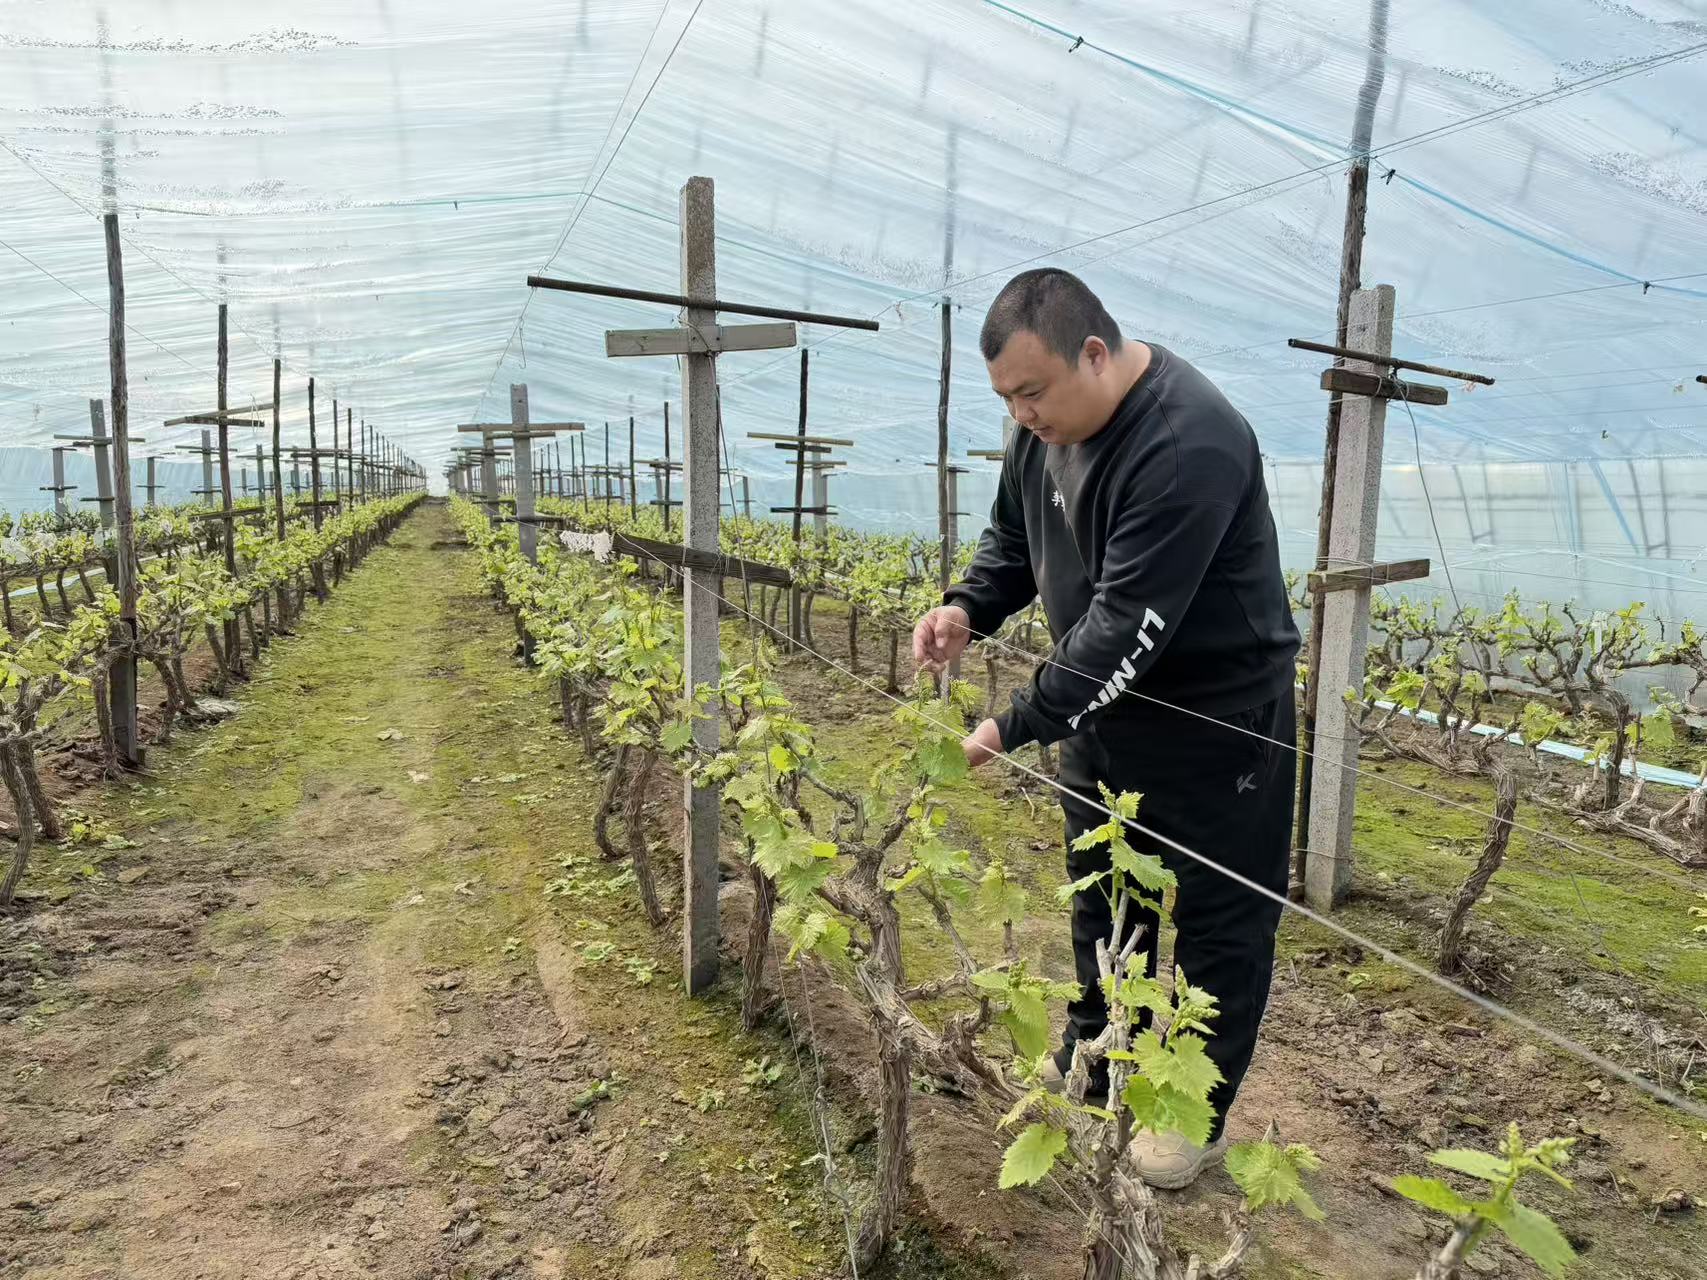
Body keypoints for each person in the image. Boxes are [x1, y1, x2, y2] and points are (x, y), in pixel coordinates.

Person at [913, 268, 1299, 1189]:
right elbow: (1014, 540)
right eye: (1007, 399)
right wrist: (968, 606)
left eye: (1032, 393)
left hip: (1218, 724)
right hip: (1101, 706)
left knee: (1217, 920)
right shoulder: (1039, 429)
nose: (1022, 415)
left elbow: (1126, 625)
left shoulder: (1187, 442)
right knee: (1103, 893)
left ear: (1093, 353)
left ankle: (1190, 1113)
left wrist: (1007, 727)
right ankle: (1097, 1054)